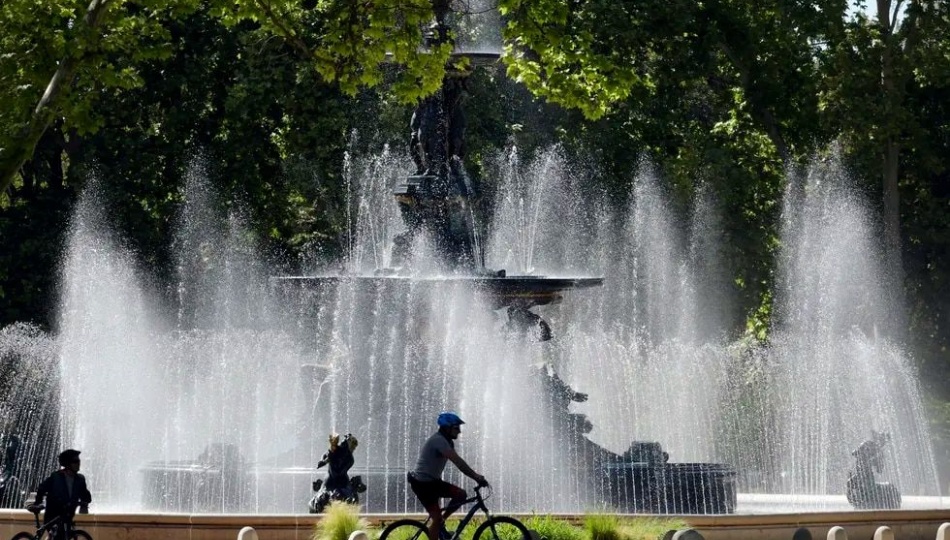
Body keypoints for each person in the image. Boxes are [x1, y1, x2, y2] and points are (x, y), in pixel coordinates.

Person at [408, 412, 487, 540]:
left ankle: (441, 523)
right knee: (436, 519)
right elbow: (459, 463)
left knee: (461, 495)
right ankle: (438, 523)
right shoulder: (439, 441)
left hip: (433, 482)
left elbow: (458, 462)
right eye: (456, 428)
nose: (459, 431)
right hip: (422, 484)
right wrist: (476, 477)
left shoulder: (447, 441)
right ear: (447, 428)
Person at [29, 449, 91, 539]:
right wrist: (37, 503)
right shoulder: (56, 477)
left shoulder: (80, 479)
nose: (78, 463)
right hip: (53, 517)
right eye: (75, 461)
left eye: (79, 461)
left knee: (66, 534)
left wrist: (84, 503)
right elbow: (42, 488)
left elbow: (85, 494)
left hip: (67, 515)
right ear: (67, 463)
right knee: (58, 535)